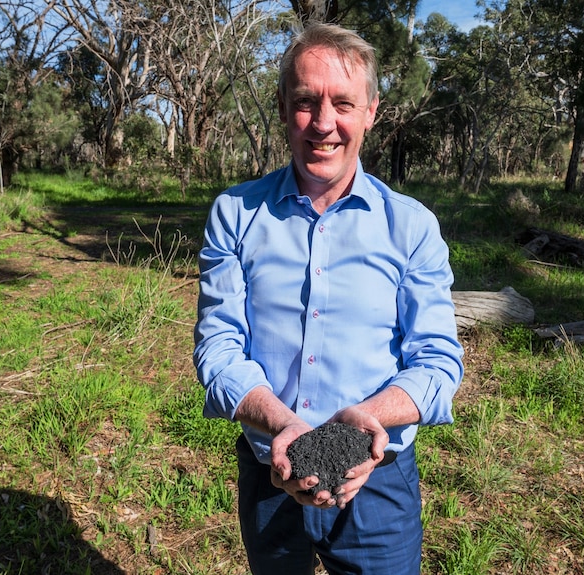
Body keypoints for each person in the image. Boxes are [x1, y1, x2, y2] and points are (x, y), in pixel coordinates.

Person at [193, 22, 464, 575]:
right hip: (270, 469)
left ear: (371, 111)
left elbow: (437, 363)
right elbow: (218, 348)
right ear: (281, 106)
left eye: (343, 103)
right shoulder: (234, 215)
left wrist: (364, 421)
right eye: (304, 102)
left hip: (378, 481)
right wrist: (281, 424)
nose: (323, 123)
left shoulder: (411, 227)